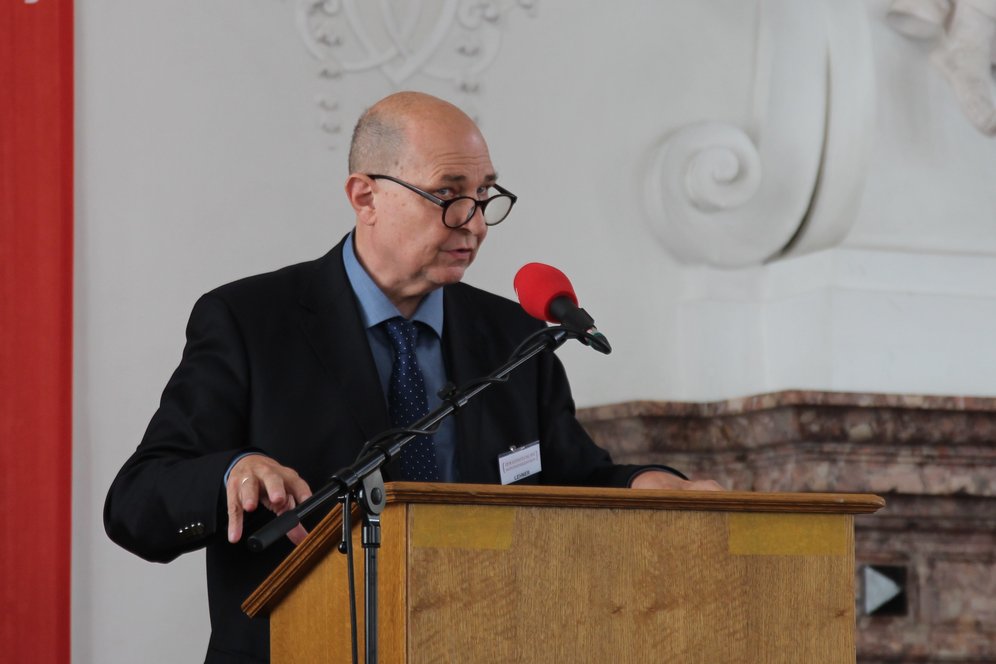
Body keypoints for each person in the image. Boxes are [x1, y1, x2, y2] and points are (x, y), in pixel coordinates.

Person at [104, 91, 722, 663]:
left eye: (485, 195)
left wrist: (649, 484)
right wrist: (230, 474)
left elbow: (571, 482)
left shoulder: (513, 337)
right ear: (365, 196)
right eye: (449, 194)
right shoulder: (249, 321)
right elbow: (136, 503)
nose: (475, 223)